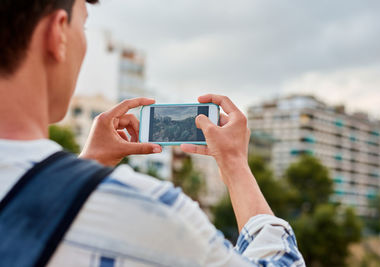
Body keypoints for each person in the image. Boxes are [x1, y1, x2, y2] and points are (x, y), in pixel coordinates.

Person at [0, 0, 305, 266]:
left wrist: (90, 163)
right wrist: (235, 165)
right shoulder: (152, 211)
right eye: (85, 24)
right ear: (59, 33)